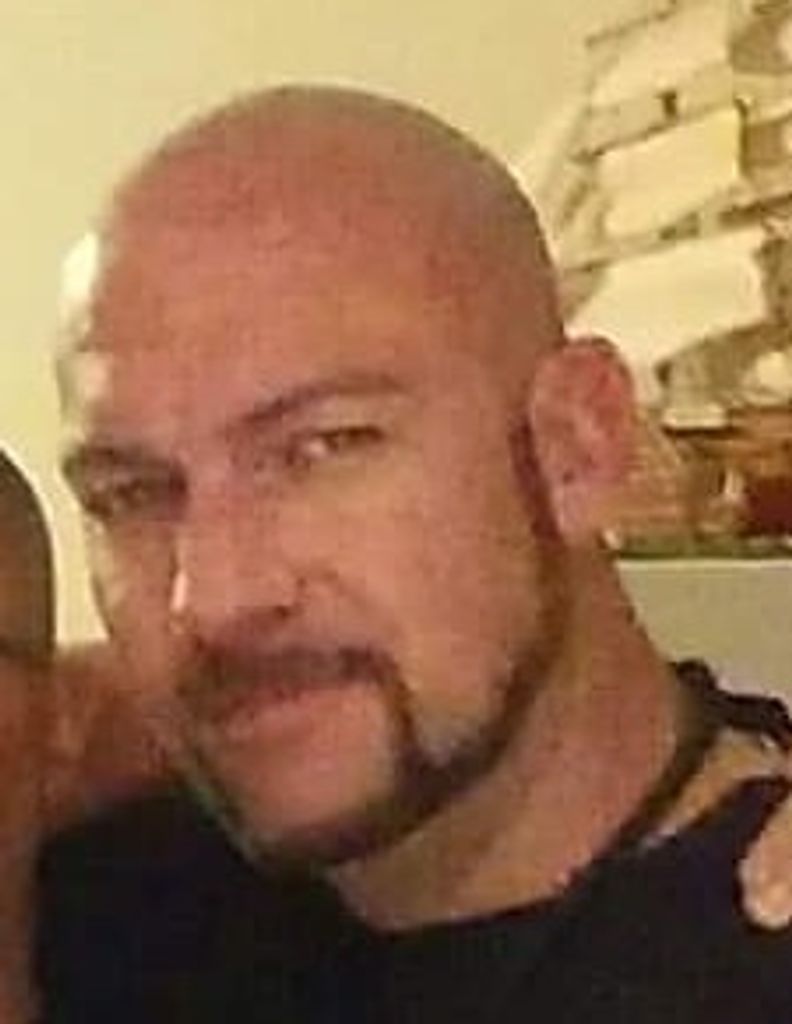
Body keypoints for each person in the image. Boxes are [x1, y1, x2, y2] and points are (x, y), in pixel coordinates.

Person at [4, 85, 792, 1022]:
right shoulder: (99, 917)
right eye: (131, 494)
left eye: (321, 447)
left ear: (577, 446)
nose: (212, 598)